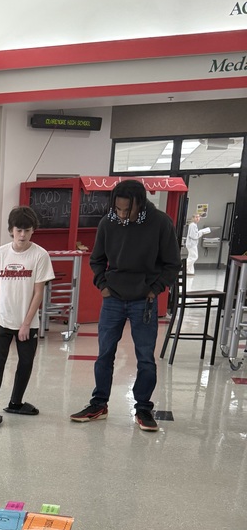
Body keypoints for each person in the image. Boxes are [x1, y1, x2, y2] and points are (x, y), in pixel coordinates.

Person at [70, 179, 180, 432]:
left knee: (145, 357)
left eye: (127, 210)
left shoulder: (161, 223)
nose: (122, 215)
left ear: (140, 204)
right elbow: (97, 260)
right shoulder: (108, 222)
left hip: (145, 300)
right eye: (117, 209)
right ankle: (99, 404)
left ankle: (143, 408)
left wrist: (155, 289)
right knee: (105, 354)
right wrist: (103, 286)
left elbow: (172, 264)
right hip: (113, 299)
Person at [0, 205, 55, 426]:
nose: (22, 235)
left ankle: (15, 402)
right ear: (11, 230)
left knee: (26, 362)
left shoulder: (40, 255)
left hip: (27, 323)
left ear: (33, 230)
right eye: (18, 230)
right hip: (3, 319)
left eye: (27, 230)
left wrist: (25, 324)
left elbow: (38, 292)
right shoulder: (0, 253)